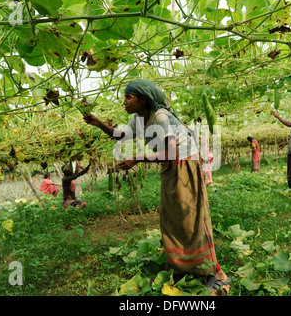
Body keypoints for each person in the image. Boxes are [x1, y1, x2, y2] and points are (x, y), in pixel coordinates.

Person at [83, 79, 230, 295]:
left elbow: (171, 153)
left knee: (192, 219)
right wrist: (98, 123)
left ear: (142, 99)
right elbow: (122, 135)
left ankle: (215, 272)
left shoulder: (160, 117)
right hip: (170, 167)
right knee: (171, 217)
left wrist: (137, 158)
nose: (124, 102)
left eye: (128, 97)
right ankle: (181, 266)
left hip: (184, 164)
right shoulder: (138, 118)